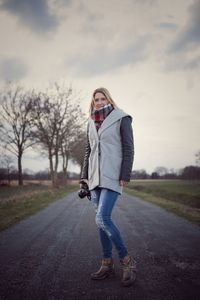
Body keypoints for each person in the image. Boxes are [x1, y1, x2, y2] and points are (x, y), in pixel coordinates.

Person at [81, 87, 136, 287]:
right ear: (93, 102)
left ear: (109, 99)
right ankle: (106, 263)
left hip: (113, 175)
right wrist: (83, 178)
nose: (100, 102)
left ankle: (127, 261)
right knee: (100, 222)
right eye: (96, 99)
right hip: (94, 178)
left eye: (103, 98)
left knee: (102, 217)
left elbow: (129, 147)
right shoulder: (90, 122)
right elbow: (88, 151)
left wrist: (125, 175)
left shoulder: (122, 118)